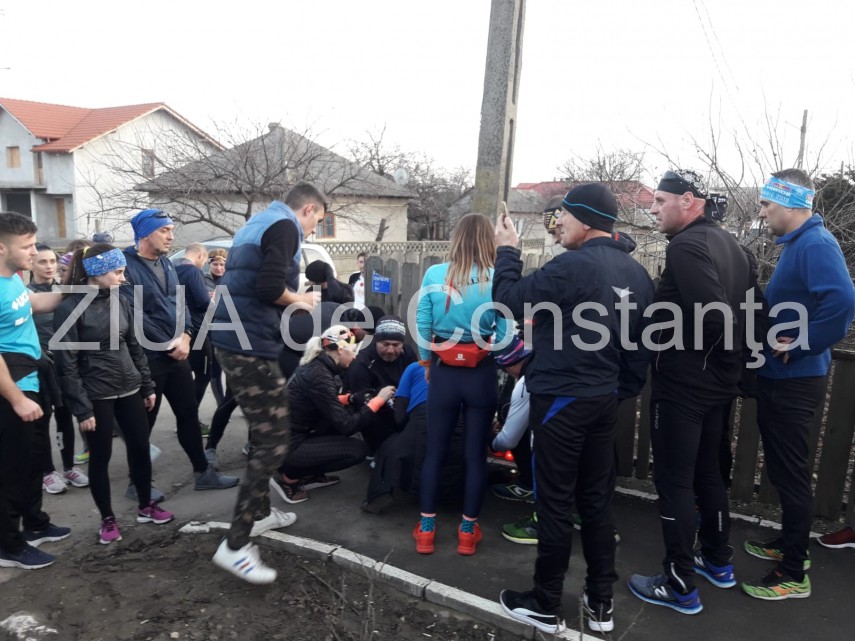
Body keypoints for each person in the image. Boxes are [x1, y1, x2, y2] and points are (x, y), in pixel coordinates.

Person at [493, 183, 654, 635]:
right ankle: (600, 603)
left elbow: (508, 302)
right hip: (602, 401)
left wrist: (508, 250)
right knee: (596, 502)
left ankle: (545, 602)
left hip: (562, 400)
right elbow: (640, 347)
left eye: (563, 214)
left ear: (584, 219)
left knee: (556, 502)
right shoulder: (637, 274)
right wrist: (617, 390)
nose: (557, 222)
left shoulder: (572, 266)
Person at [626, 169, 753, 616]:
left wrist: (721, 358)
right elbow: (752, 308)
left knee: (674, 481)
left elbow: (717, 315)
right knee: (708, 474)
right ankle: (717, 559)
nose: (653, 209)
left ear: (689, 200)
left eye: (661, 201)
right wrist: (731, 368)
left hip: (686, 384)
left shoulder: (686, 245)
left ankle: (679, 583)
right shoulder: (732, 245)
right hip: (715, 384)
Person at [741, 169, 855, 600]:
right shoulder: (798, 244)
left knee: (790, 475)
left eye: (766, 204)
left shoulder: (815, 244)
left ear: (790, 203)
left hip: (794, 380)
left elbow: (844, 301)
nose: (762, 212)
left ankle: (793, 573)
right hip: (782, 377)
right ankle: (791, 544)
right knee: (784, 469)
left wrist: (803, 342)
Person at [210, 182, 327, 584]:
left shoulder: (256, 222)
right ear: (308, 209)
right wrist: (301, 300)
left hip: (231, 339)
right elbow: (268, 288)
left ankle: (259, 515)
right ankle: (235, 546)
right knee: (275, 441)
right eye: (317, 222)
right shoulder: (286, 226)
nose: (312, 230)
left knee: (263, 435)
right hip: (249, 345)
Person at [53, 243, 175, 544]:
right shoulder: (70, 308)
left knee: (140, 447)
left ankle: (146, 505)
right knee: (101, 458)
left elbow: (133, 344)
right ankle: (107, 518)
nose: (123, 278)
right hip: (97, 394)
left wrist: (146, 385)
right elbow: (66, 363)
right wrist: (82, 409)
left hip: (129, 387)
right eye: (118, 272)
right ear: (97, 272)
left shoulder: (120, 299)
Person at [414, 213, 511, 557]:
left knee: (435, 452)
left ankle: (426, 530)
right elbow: (505, 331)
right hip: (480, 374)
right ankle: (467, 532)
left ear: (456, 238)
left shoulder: (435, 274)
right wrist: (488, 354)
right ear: (489, 240)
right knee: (474, 456)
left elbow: (422, 321)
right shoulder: (498, 278)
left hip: (443, 372)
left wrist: (426, 361)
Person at [122, 209, 237, 499]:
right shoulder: (126, 266)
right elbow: (133, 314)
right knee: (143, 425)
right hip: (148, 359)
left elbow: (181, 303)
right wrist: (168, 343)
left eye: (172, 230)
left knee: (188, 414)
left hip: (178, 353)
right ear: (145, 233)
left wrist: (186, 335)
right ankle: (137, 484)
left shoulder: (167, 264)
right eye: (165, 230)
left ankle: (203, 473)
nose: (171, 236)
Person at [0, 211, 69, 570]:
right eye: (27, 246)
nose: (34, 252)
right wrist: (16, 399)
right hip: (11, 387)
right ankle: (9, 547)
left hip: (32, 377)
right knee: (10, 469)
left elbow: (35, 303)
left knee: (32, 461)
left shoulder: (12, 279)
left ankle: (35, 525)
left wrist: (76, 290)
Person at [271, 326, 395, 503]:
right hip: (286, 447)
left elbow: (321, 400)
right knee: (357, 451)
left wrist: (350, 399)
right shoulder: (318, 375)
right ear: (340, 350)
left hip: (286, 436)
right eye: (352, 351)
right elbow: (346, 425)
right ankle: (289, 478)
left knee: (348, 411)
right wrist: (378, 401)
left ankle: (309, 474)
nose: (355, 356)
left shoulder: (317, 366)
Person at [27, 244, 89, 494]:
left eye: (52, 261)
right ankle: (47, 472)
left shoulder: (64, 292)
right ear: (32, 264)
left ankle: (69, 467)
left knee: (65, 417)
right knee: (42, 421)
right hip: (38, 366)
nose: (49, 266)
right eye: (42, 261)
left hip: (65, 365)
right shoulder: (26, 295)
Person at [345, 316, 417, 455]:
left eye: (396, 345)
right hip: (374, 412)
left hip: (401, 406)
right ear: (376, 341)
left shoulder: (407, 354)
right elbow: (361, 407)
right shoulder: (361, 364)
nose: (390, 350)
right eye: (385, 344)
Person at [174, 242, 215, 427]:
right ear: (200, 256)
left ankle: (185, 418)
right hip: (197, 329)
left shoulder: (173, 269)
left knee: (184, 375)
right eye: (205, 260)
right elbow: (203, 301)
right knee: (204, 374)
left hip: (178, 328)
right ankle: (189, 419)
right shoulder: (193, 271)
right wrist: (210, 298)